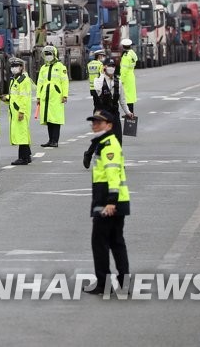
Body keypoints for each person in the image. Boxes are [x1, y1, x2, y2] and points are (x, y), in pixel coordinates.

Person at [81, 110, 130, 295]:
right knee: (116, 242)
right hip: (117, 200)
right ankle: (123, 283)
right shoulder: (104, 143)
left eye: (99, 123)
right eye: (93, 122)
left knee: (99, 242)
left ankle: (103, 282)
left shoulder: (108, 145)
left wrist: (111, 202)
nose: (95, 125)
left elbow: (112, 174)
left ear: (109, 125)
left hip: (108, 202)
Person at [93, 58, 135, 143]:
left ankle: (117, 155)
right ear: (104, 67)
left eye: (113, 66)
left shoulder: (118, 82)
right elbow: (98, 91)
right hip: (103, 114)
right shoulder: (98, 81)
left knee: (118, 139)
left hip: (114, 113)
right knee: (103, 141)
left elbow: (122, 100)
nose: (111, 68)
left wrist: (128, 112)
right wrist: (102, 74)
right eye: (109, 66)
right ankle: (89, 154)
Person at [36, 44, 69, 148]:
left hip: (56, 96)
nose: (48, 56)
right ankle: (50, 140)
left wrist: (65, 95)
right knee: (49, 119)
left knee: (56, 119)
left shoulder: (60, 67)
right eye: (46, 54)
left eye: (49, 54)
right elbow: (39, 83)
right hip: (45, 96)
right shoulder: (43, 68)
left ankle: (55, 140)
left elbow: (65, 82)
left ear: (54, 54)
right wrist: (38, 97)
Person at [5, 57, 34, 165]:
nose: (14, 68)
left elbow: (24, 98)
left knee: (22, 134)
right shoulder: (15, 79)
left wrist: (21, 111)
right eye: (12, 66)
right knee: (22, 133)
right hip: (15, 110)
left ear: (21, 67)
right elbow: (15, 96)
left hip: (20, 111)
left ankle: (23, 158)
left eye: (16, 66)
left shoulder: (23, 80)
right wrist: (6, 99)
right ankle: (27, 156)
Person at [119, 38, 138, 114]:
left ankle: (129, 114)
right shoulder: (132, 53)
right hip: (131, 76)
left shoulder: (126, 56)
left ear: (123, 46)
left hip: (126, 78)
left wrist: (121, 80)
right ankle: (131, 113)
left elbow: (124, 69)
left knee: (127, 97)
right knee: (130, 96)